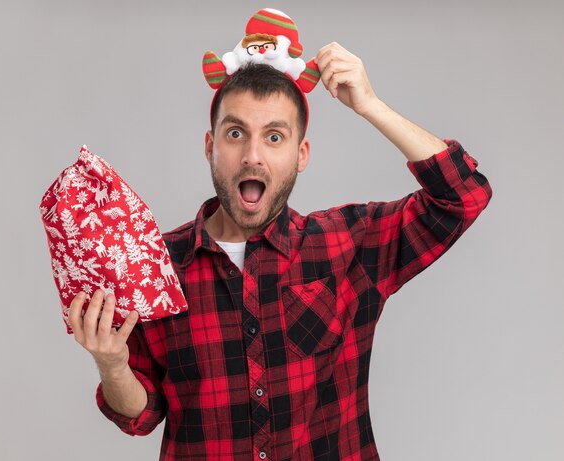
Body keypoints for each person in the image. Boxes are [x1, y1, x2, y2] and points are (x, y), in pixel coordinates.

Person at [67, 42, 492, 460]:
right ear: (210, 147)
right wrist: (114, 365)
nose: (253, 156)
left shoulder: (348, 244)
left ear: (300, 154)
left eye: (274, 137)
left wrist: (371, 106)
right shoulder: (155, 265)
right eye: (236, 134)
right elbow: (140, 416)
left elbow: (463, 195)